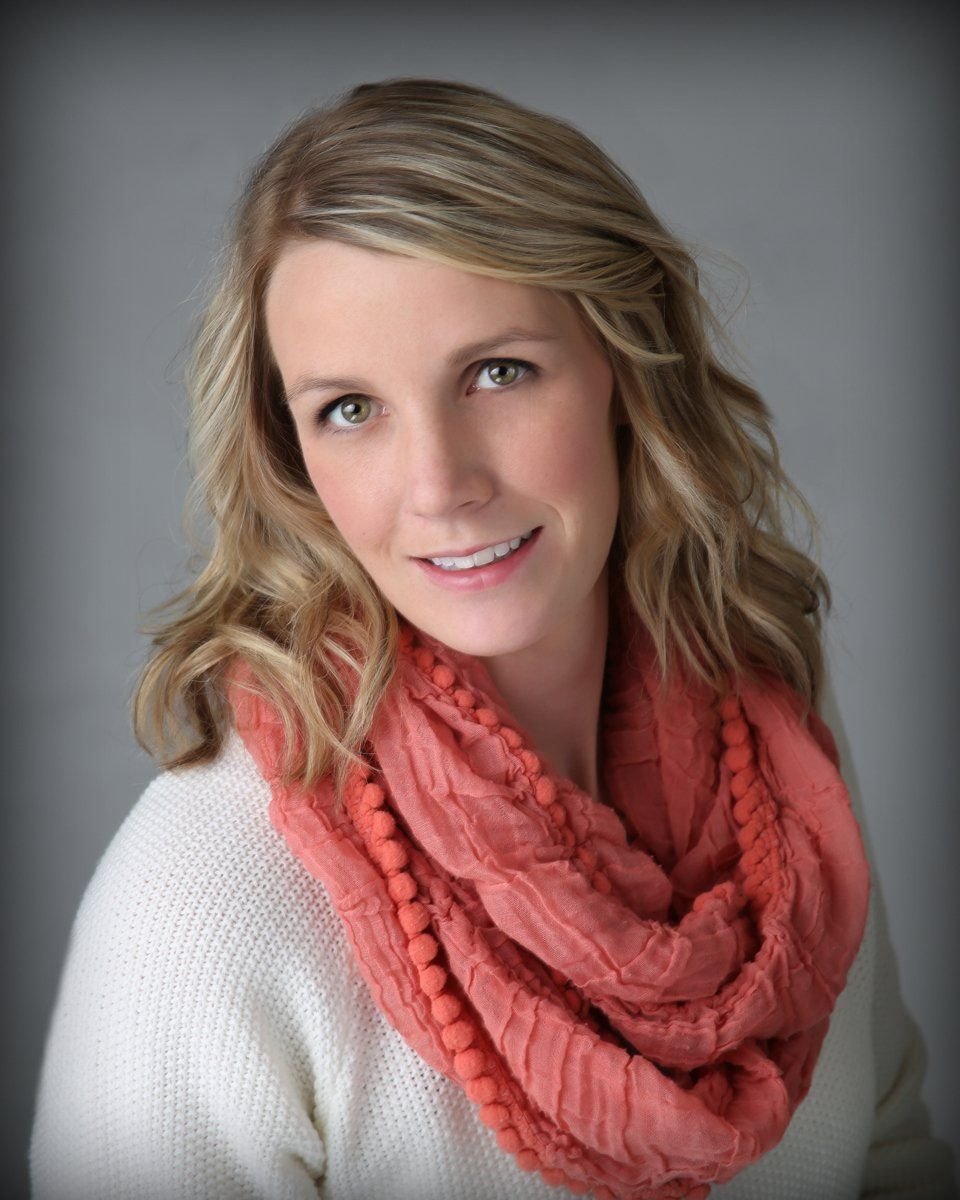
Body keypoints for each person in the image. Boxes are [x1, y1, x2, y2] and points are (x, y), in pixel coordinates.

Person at [30, 78, 957, 1200]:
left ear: (625, 366)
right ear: (292, 458)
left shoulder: (774, 758)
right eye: (350, 409)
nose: (440, 486)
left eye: (498, 372)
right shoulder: (205, 897)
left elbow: (892, 1154)